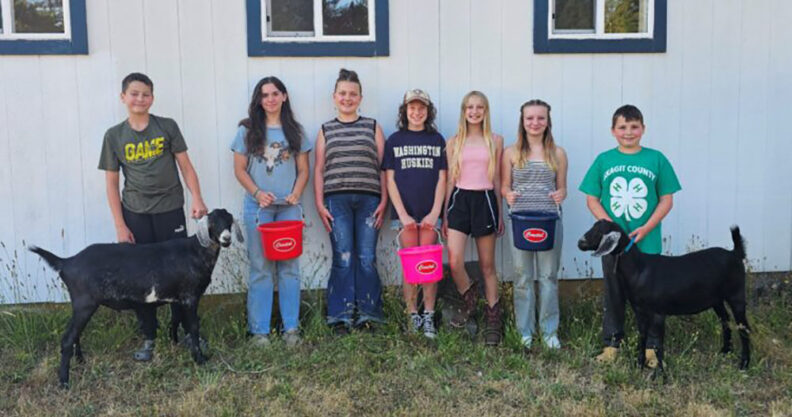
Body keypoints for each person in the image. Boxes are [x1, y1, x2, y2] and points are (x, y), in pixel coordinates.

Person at [98, 72, 208, 361]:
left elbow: (186, 167)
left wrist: (197, 197)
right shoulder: (114, 136)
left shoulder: (167, 127)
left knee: (181, 274)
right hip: (136, 214)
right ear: (123, 97)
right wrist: (120, 225)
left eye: (145, 94)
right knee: (139, 278)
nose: (140, 99)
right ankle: (149, 336)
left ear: (152, 98)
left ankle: (186, 331)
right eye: (134, 94)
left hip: (170, 210)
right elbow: (111, 184)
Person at [579, 104, 681, 363]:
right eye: (622, 127)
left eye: (634, 126)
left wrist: (647, 227)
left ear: (643, 129)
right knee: (613, 291)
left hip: (647, 242)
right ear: (613, 130)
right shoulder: (604, 160)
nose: (628, 132)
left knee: (653, 295)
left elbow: (666, 199)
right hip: (613, 245)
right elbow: (592, 198)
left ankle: (652, 346)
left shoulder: (656, 159)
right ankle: (612, 344)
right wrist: (611, 228)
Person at [231, 76, 311, 347]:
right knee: (261, 267)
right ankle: (259, 331)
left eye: (275, 93)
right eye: (264, 95)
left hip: (288, 209)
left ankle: (291, 329)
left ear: (284, 96)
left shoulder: (295, 132)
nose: (270, 99)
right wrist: (257, 193)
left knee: (289, 267)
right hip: (259, 208)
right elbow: (239, 169)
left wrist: (296, 193)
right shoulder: (247, 131)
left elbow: (304, 171)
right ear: (259, 100)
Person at [313, 68, 389, 334]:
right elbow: (319, 169)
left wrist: (384, 201)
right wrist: (319, 204)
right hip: (337, 201)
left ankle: (370, 314)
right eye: (343, 93)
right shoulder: (326, 130)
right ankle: (340, 316)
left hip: (370, 200)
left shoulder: (372, 127)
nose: (347, 98)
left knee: (367, 257)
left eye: (353, 94)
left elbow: (383, 168)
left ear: (360, 98)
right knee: (343, 257)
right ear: (334, 97)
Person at [501, 100, 568, 350]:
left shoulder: (558, 153)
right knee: (522, 277)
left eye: (541, 118)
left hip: (549, 221)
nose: (535, 123)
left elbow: (562, 188)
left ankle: (549, 332)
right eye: (530, 118)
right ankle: (525, 332)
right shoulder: (510, 153)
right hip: (520, 221)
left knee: (548, 276)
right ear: (522, 121)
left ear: (548, 121)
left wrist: (561, 194)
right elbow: (504, 186)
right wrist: (507, 194)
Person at [382, 89, 447, 339]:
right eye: (412, 108)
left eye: (421, 108)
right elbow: (390, 180)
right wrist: (402, 214)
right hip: (405, 214)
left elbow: (442, 179)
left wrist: (435, 212)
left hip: (430, 213)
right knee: (410, 268)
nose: (417, 112)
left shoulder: (437, 140)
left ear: (428, 112)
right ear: (405, 111)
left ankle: (429, 315)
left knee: (429, 266)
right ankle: (412, 315)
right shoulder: (394, 140)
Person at [443, 91, 505, 346]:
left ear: (486, 111)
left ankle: (493, 317)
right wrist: (445, 214)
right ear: (464, 111)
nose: (474, 111)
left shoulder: (496, 140)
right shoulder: (454, 142)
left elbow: (498, 179)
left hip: (485, 200)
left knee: (487, 265)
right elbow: (450, 180)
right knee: (454, 260)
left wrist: (499, 213)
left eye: (480, 107)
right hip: (460, 200)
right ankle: (470, 300)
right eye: (470, 107)